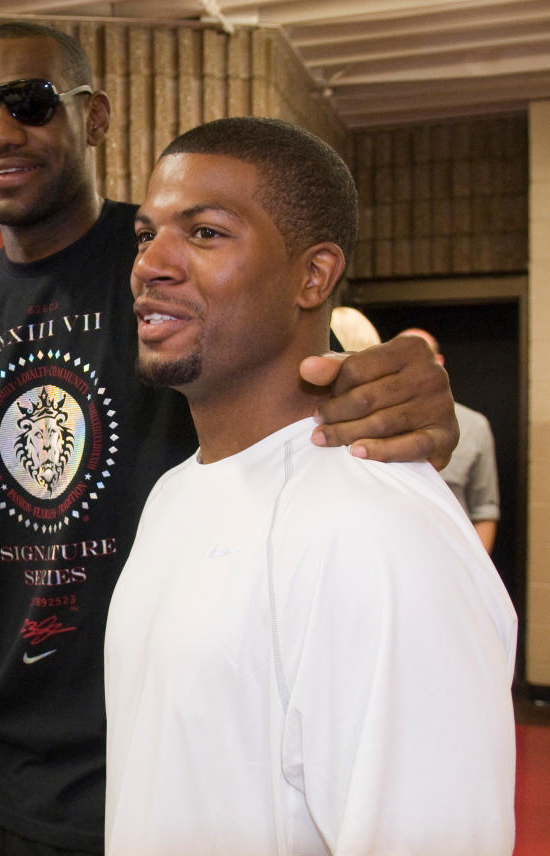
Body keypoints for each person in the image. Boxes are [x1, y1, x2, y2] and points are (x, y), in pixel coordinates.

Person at [0, 22, 461, 856]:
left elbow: (309, 367)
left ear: (96, 118)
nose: (0, 132)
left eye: (31, 104)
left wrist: (401, 383)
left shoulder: (180, 277)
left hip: (169, 772)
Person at [105, 116, 516, 854]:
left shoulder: (377, 530)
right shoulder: (173, 495)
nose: (151, 263)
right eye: (145, 234)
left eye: (204, 233)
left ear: (313, 275)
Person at [397, 327, 501, 552]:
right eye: (402, 361)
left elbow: (484, 510)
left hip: (454, 555)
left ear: (439, 362)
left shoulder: (474, 425)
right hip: (395, 552)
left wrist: (476, 573)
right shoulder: (373, 424)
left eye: (420, 359)